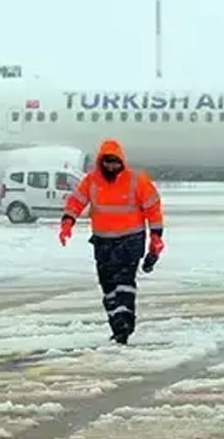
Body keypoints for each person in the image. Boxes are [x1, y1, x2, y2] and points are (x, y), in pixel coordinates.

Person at [58, 138, 164, 344]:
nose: (111, 166)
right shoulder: (91, 181)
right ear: (101, 162)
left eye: (115, 162)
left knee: (124, 283)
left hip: (130, 240)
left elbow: (153, 209)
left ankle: (124, 323)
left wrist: (156, 236)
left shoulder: (137, 181)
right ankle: (117, 324)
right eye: (107, 162)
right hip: (103, 241)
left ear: (122, 162)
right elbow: (76, 201)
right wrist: (67, 221)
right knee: (108, 286)